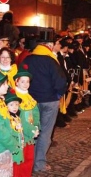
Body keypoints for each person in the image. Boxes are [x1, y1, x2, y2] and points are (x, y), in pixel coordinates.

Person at [23, 33, 67, 172]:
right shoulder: (50, 60)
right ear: (48, 46)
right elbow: (61, 81)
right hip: (49, 101)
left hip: (31, 101)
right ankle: (39, 164)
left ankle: (28, 162)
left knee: (32, 132)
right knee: (45, 134)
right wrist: (58, 94)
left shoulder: (28, 59)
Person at [13, 63, 40, 177]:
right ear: (17, 82)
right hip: (20, 135)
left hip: (30, 134)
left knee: (29, 159)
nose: (25, 84)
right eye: (22, 81)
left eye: (27, 81)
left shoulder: (30, 98)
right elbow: (20, 119)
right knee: (19, 161)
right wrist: (31, 130)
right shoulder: (15, 98)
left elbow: (36, 114)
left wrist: (36, 127)